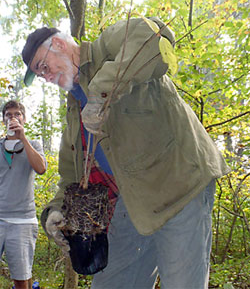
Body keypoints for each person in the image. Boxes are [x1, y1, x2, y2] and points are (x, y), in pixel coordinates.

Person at [21, 17, 230, 289]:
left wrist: (100, 93)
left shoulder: (107, 46)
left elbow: (155, 37)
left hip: (180, 187)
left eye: (44, 67)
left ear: (59, 44)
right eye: (41, 76)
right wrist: (55, 211)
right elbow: (70, 175)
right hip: (129, 204)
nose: (47, 78)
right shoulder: (73, 111)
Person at [0, 100, 47, 289]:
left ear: (24, 119)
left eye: (17, 114)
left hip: (23, 221)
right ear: (3, 120)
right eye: (8, 115)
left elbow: (41, 168)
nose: (13, 118)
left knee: (21, 279)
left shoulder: (33, 144)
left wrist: (23, 138)